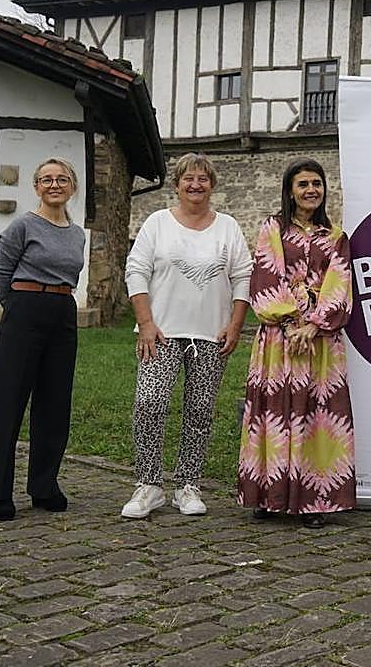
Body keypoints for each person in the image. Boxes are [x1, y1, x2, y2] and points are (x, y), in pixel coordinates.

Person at [120, 153, 253, 519]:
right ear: (176, 185)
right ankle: (148, 485)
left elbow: (243, 276)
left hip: (212, 334)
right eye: (188, 179)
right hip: (160, 332)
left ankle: (187, 485)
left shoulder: (227, 226)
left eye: (203, 179)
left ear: (212, 185)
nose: (196, 185)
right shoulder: (157, 223)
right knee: (149, 402)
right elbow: (136, 271)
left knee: (200, 410)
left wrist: (236, 324)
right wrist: (145, 323)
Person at [238, 159, 355, 528]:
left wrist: (315, 325)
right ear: (290, 190)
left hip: (320, 342)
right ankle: (269, 496)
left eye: (316, 184)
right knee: (274, 414)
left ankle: (315, 501)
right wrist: (291, 322)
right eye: (303, 184)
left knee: (317, 416)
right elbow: (264, 274)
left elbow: (342, 284)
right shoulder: (272, 228)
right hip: (278, 339)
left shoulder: (336, 236)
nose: (310, 190)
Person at [0, 158, 85, 521]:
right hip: (23, 309)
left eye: (62, 179)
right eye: (47, 179)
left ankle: (44, 486)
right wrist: (17, 310)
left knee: (55, 405)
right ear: (36, 187)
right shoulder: (23, 225)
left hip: (63, 312)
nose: (55, 185)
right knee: (9, 403)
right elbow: (1, 272)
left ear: (72, 186)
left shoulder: (76, 232)